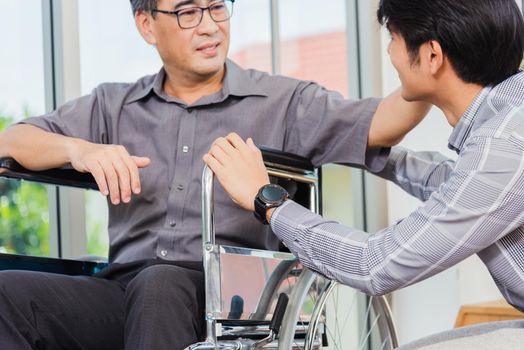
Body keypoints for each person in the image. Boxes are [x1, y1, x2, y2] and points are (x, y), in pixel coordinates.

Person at [0, 1, 430, 349]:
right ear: (147, 25)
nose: (209, 27)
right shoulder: (114, 105)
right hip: (124, 290)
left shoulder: (281, 101)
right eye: (188, 11)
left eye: (217, 8)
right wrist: (80, 150)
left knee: (160, 285)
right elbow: (13, 140)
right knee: (8, 295)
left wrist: (433, 64)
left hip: (229, 301)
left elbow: (384, 122)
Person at [204, 0, 524, 315]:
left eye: (393, 39)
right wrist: (360, 146)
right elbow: (454, 186)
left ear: (431, 56)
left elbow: (373, 264)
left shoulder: (502, 144)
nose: (389, 53)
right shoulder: (508, 121)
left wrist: (268, 201)